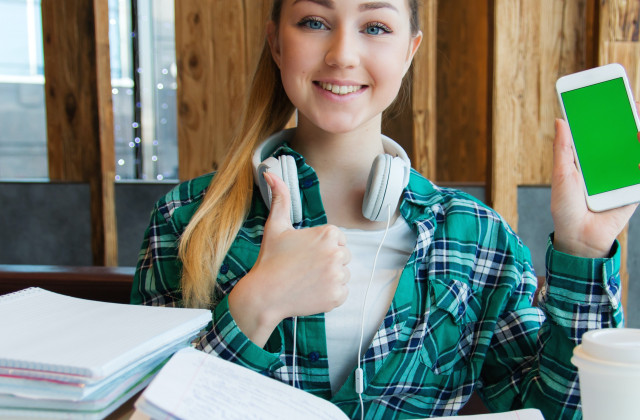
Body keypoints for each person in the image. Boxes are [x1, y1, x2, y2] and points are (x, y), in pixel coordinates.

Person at [131, 0, 638, 418]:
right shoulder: (186, 221)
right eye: (314, 22)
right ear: (276, 43)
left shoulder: (474, 237)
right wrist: (256, 305)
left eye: (375, 26)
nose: (343, 55)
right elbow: (141, 411)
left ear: (409, 51)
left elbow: (564, 409)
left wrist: (583, 249)